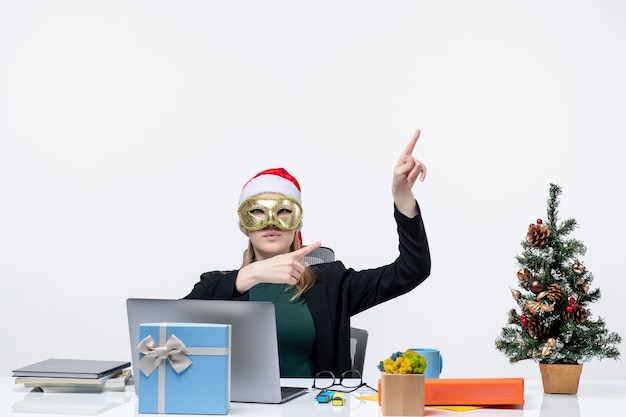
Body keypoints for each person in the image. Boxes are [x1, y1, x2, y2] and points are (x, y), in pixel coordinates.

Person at [184, 129, 431, 377]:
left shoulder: (332, 284)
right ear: (244, 225)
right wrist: (247, 276)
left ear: (297, 223)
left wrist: (402, 196)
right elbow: (175, 326)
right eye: (258, 212)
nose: (271, 222)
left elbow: (412, 269)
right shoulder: (216, 286)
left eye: (283, 212)